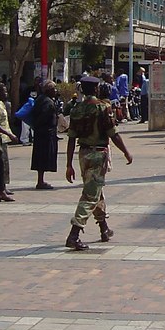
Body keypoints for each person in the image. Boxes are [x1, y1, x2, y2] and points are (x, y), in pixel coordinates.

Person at [64, 75, 133, 250]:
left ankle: (104, 228)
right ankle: (74, 233)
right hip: (98, 154)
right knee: (90, 195)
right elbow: (113, 133)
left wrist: (68, 164)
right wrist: (126, 152)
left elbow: (71, 138)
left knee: (96, 190)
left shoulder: (77, 109)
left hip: (83, 154)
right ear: (96, 89)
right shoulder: (103, 108)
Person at [31, 80, 60, 190]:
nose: (55, 91)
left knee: (40, 157)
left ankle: (40, 180)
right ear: (49, 90)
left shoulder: (40, 99)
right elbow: (43, 117)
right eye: (54, 89)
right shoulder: (47, 102)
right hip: (45, 133)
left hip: (41, 132)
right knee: (43, 157)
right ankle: (40, 181)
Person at [0, 83, 15, 195]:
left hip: (3, 139)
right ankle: (1, 187)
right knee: (1, 164)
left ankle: (2, 187)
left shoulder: (2, 104)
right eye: (4, 91)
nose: (6, 94)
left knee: (4, 164)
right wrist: (9, 134)